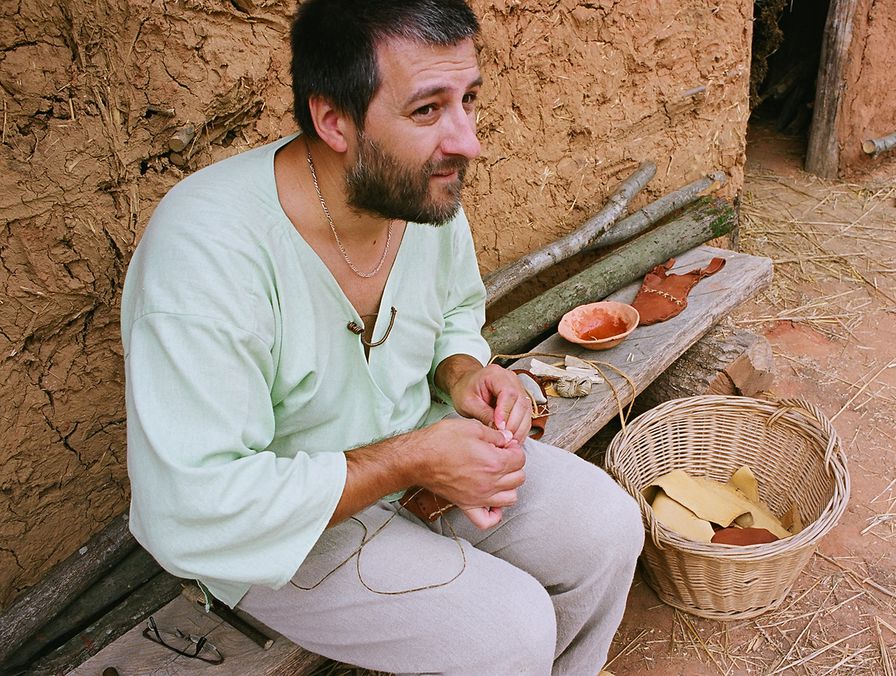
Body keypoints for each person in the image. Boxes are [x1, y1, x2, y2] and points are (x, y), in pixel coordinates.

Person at [121, 0, 644, 673]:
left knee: (607, 527)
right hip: (283, 531)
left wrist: (461, 372)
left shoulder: (420, 191)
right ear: (333, 119)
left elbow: (455, 309)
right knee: (508, 629)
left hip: (418, 455)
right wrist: (409, 461)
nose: (467, 141)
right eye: (427, 110)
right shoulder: (205, 250)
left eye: (469, 99)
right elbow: (192, 506)